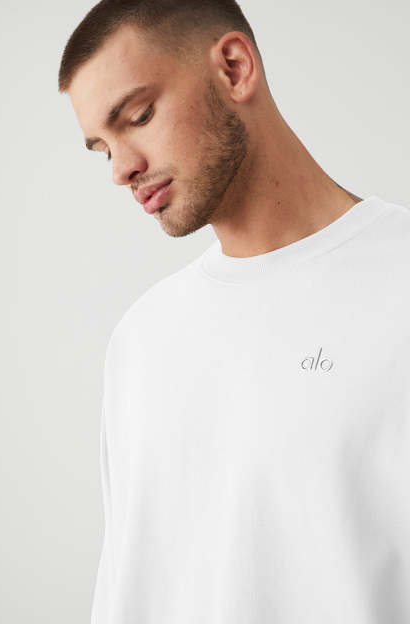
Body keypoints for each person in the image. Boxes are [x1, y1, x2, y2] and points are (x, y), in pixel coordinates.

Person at [58, 1, 410, 622]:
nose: (121, 169)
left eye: (138, 116)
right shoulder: (142, 340)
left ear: (234, 67)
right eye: (101, 148)